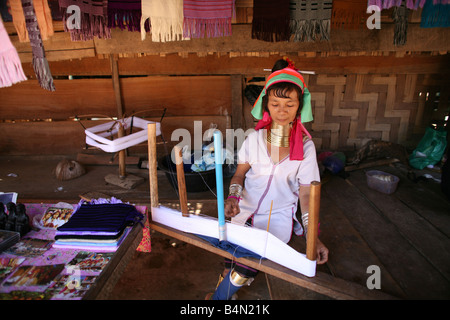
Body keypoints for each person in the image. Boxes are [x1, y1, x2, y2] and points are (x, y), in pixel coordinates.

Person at [207, 58, 329, 300]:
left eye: (289, 104)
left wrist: (311, 236)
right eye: (275, 103)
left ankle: (219, 299)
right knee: (231, 256)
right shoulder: (254, 139)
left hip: (278, 219)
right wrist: (233, 197)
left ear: (299, 107)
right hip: (244, 210)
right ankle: (226, 291)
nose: (282, 111)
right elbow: (240, 173)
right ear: (266, 105)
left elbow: (306, 192)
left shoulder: (306, 148)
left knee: (247, 264)